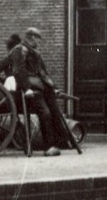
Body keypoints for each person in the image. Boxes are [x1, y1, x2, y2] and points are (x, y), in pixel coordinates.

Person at [9, 27, 71, 156]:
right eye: (37, 39)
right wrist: (26, 89)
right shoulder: (19, 50)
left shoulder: (35, 52)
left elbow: (43, 72)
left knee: (55, 109)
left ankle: (61, 141)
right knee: (45, 113)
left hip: (41, 87)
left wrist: (53, 87)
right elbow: (18, 71)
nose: (39, 42)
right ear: (31, 37)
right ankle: (48, 147)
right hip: (30, 90)